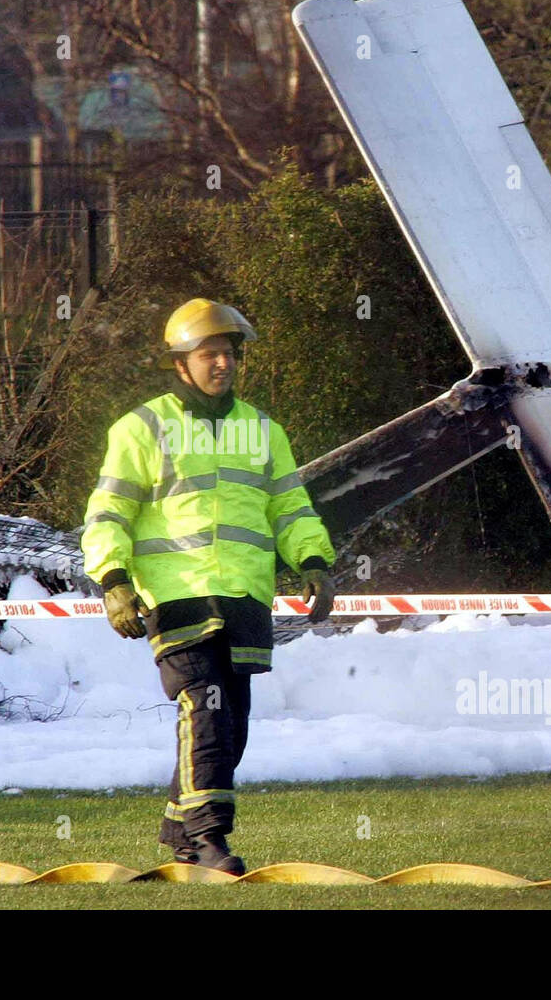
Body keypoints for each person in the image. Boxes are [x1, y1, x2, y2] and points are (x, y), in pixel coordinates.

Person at [81, 298, 337, 874]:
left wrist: (314, 560)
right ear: (181, 363)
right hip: (177, 596)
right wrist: (113, 581)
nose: (222, 364)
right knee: (207, 711)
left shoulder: (264, 430)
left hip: (245, 597)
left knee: (232, 722)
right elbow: (108, 514)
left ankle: (178, 826)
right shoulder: (142, 428)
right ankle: (206, 840)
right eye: (209, 354)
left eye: (229, 354)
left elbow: (290, 507)